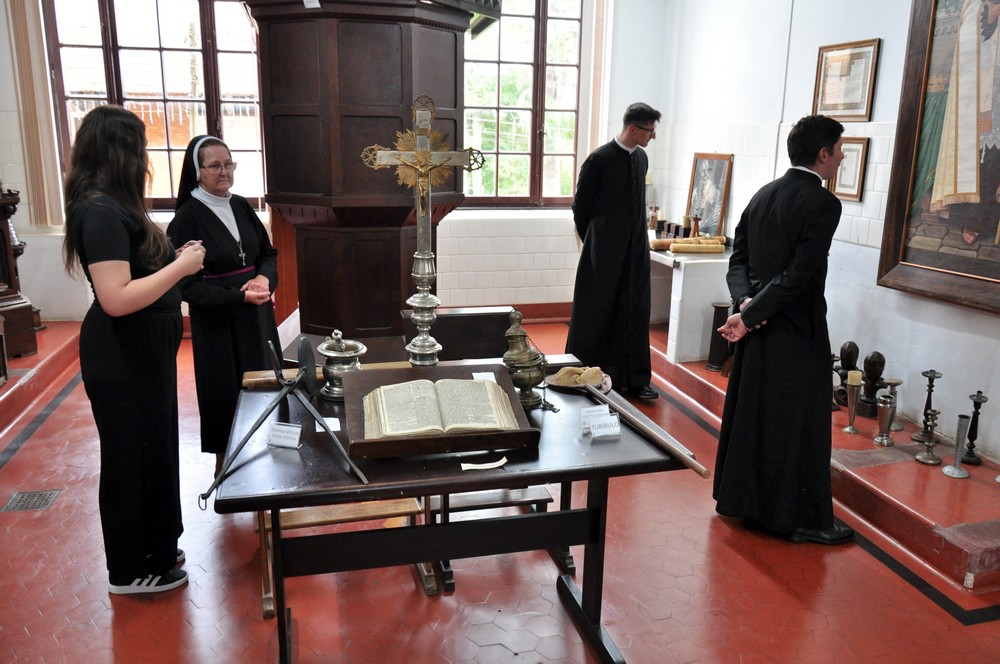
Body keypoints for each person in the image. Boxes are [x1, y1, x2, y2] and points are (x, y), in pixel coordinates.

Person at [63, 105, 206, 594]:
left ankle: (156, 544)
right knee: (131, 456)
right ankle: (129, 567)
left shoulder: (114, 206)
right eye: (139, 148)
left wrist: (177, 257)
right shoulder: (100, 212)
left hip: (144, 352)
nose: (144, 159)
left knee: (155, 450)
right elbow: (117, 299)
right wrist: (182, 268)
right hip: (121, 354)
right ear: (119, 152)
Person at [713, 114, 855, 546]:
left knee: (756, 415)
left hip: (760, 328)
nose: (843, 156)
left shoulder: (763, 193)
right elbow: (798, 276)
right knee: (800, 422)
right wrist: (752, 312)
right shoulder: (824, 204)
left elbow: (739, 260)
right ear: (822, 154)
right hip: (796, 328)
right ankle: (795, 519)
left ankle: (745, 501)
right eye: (839, 149)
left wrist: (745, 305)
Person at [167, 136, 281, 474]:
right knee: (223, 391)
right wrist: (237, 297)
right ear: (197, 171)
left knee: (262, 383)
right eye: (215, 166)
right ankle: (225, 466)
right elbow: (185, 285)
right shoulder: (188, 216)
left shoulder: (242, 205)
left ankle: (266, 452)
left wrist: (264, 280)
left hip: (256, 312)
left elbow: (268, 254)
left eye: (228, 164)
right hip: (218, 320)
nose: (224, 172)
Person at [566, 102, 661, 400]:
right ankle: (585, 373)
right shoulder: (599, 159)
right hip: (603, 252)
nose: (652, 137)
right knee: (598, 311)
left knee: (634, 312)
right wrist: (597, 241)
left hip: (635, 252)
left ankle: (635, 379)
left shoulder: (641, 159)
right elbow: (580, 209)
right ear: (633, 128)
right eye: (649, 131)